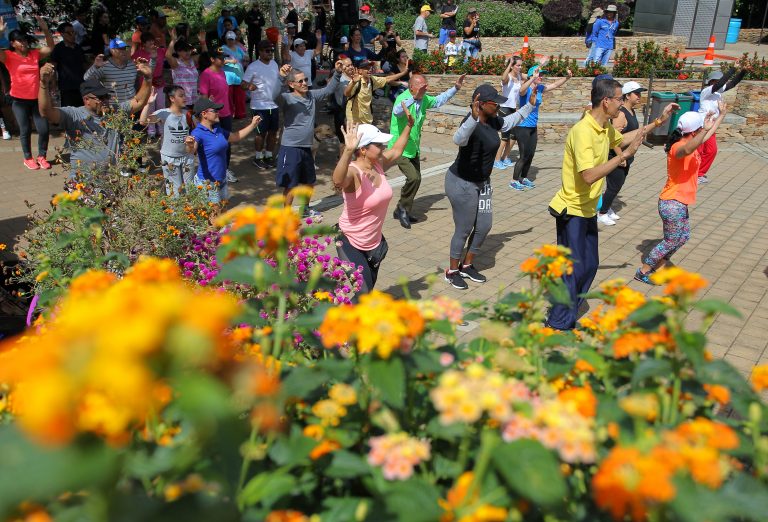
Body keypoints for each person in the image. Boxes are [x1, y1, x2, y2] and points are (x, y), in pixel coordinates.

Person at [546, 79, 647, 331]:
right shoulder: (583, 132)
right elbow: (589, 175)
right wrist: (622, 157)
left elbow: (624, 139)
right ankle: (558, 322)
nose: (622, 104)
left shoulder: (603, 128)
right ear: (606, 101)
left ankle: (568, 307)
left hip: (588, 209)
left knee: (589, 264)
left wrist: (657, 123)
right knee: (573, 268)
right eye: (619, 99)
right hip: (572, 209)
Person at [445, 84, 536, 290]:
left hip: (483, 183)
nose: (498, 108)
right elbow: (458, 139)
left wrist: (529, 106)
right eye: (494, 104)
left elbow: (509, 121)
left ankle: (467, 265)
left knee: (484, 225)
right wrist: (473, 117)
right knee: (464, 228)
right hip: (461, 183)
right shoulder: (470, 123)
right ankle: (451, 271)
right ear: (481, 103)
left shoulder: (493, 120)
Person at [635, 106, 726, 284]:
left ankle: (659, 266)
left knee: (682, 237)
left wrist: (721, 116)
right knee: (670, 240)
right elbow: (687, 150)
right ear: (696, 130)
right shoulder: (678, 147)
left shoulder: (692, 140)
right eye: (701, 129)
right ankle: (643, 271)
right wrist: (704, 130)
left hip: (680, 202)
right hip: (672, 202)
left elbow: (704, 137)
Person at [333, 115, 415, 297]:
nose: (383, 147)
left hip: (373, 243)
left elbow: (396, 151)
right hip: (349, 241)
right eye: (378, 145)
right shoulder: (354, 172)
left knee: (366, 294)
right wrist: (347, 151)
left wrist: (409, 125)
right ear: (362, 150)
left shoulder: (377, 165)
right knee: (363, 292)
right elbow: (338, 180)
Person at [38, 60, 153, 176]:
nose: (105, 101)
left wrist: (147, 79)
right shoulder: (74, 115)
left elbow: (138, 101)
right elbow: (47, 112)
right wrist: (43, 84)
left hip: (109, 181)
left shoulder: (114, 111)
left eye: (106, 96)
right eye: (100, 98)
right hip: (82, 183)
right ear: (86, 100)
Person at [389, 73, 466, 229]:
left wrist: (455, 88)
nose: (426, 88)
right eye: (422, 86)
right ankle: (403, 209)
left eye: (426, 85)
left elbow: (438, 100)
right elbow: (397, 111)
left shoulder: (424, 99)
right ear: (412, 87)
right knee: (414, 178)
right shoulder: (403, 98)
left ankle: (401, 208)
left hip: (413, 148)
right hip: (399, 148)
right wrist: (413, 98)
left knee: (416, 179)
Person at [597, 81, 676, 226]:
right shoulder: (621, 114)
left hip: (627, 156)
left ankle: (606, 208)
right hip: (617, 156)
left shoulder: (632, 111)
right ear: (627, 96)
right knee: (614, 185)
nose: (639, 96)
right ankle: (601, 213)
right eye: (636, 93)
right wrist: (621, 156)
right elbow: (613, 138)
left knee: (617, 186)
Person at [275, 61, 342, 208]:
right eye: (301, 81)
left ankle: (305, 209)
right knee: (291, 184)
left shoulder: (311, 95)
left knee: (309, 182)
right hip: (291, 147)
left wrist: (337, 72)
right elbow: (275, 94)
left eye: (305, 79)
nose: (305, 83)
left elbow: (328, 90)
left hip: (307, 147)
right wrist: (280, 77)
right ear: (292, 84)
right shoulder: (287, 98)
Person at [0, 16, 54, 170]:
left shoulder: (34, 54)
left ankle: (42, 156)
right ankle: (28, 158)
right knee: (25, 130)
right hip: (19, 100)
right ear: (13, 44)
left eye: (24, 40)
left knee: (43, 129)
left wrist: (45, 29)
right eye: (19, 40)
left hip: (37, 99)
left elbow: (50, 47)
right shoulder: (9, 56)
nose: (23, 42)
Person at [508, 65, 571, 191]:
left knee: (530, 155)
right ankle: (514, 180)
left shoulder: (540, 88)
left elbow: (554, 85)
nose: (541, 77)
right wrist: (532, 79)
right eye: (539, 75)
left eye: (542, 75)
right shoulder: (526, 88)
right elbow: (521, 91)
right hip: (522, 126)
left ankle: (524, 178)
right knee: (523, 155)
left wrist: (567, 77)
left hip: (532, 126)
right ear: (532, 75)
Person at [188, 98, 261, 204]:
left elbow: (236, 137)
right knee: (214, 216)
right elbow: (191, 151)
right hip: (207, 183)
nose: (218, 113)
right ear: (204, 114)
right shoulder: (198, 133)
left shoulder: (218, 129)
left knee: (222, 211)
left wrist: (252, 125)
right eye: (215, 111)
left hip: (221, 180)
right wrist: (189, 145)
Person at [140, 84, 195, 196]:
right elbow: (143, 121)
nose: (184, 98)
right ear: (172, 98)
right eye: (181, 96)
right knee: (174, 192)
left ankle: (190, 212)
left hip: (187, 157)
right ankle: (175, 213)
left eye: (184, 95)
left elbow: (198, 130)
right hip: (170, 159)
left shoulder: (188, 114)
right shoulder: (163, 113)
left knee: (191, 190)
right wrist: (148, 104)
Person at [696, 67, 746, 184]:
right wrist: (733, 69)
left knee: (711, 151)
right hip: (701, 125)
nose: (717, 83)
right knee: (698, 151)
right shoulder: (707, 91)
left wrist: (743, 71)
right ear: (710, 82)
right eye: (714, 81)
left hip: (712, 126)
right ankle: (693, 173)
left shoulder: (719, 93)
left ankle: (699, 173)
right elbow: (720, 84)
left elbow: (733, 83)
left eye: (717, 81)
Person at [199, 47, 237, 183]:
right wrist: (208, 114)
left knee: (227, 142)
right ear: (212, 59)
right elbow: (204, 98)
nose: (223, 60)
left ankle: (225, 169)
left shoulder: (222, 72)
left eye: (224, 58)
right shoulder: (206, 74)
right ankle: (214, 172)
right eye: (220, 58)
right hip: (214, 116)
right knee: (215, 143)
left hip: (226, 113)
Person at [242, 40, 281, 169]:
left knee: (273, 132)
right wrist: (249, 86)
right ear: (260, 52)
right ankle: (258, 157)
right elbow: (243, 84)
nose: (270, 53)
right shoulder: (253, 66)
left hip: (273, 105)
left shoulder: (275, 64)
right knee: (261, 134)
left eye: (271, 51)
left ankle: (268, 156)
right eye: (267, 51)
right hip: (258, 106)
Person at [494, 56, 533, 170]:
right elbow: (503, 78)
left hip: (512, 109)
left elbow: (531, 75)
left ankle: (505, 158)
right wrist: (509, 65)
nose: (520, 67)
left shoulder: (520, 76)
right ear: (512, 66)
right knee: (505, 137)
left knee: (513, 136)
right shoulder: (508, 78)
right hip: (504, 109)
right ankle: (496, 160)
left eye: (521, 65)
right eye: (518, 65)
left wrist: (539, 66)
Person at [344, 59, 408, 125]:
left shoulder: (372, 79)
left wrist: (403, 73)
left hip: (367, 120)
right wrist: (353, 83)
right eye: (366, 68)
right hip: (354, 121)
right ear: (360, 71)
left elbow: (387, 79)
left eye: (370, 67)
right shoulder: (356, 81)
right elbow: (346, 93)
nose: (369, 70)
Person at [85, 37, 144, 105]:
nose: (124, 51)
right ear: (112, 50)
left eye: (124, 48)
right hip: (114, 108)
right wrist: (95, 66)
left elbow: (147, 75)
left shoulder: (132, 64)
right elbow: (87, 78)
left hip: (132, 106)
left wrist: (152, 60)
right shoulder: (105, 66)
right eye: (120, 49)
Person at [132, 32, 166, 137]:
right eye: (148, 41)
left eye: (152, 40)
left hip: (159, 82)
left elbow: (169, 54)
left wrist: (172, 40)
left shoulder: (159, 51)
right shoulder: (138, 54)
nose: (151, 42)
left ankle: (161, 130)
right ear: (144, 44)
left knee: (160, 106)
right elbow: (132, 64)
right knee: (149, 107)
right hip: (146, 83)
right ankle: (151, 131)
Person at [166, 29, 208, 109]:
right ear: (178, 51)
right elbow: (168, 55)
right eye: (184, 50)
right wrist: (173, 40)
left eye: (189, 50)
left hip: (194, 99)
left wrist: (203, 42)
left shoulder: (192, 60)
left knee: (194, 121)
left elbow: (205, 57)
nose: (188, 52)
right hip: (182, 100)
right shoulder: (176, 64)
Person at [51, 22, 87, 108]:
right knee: (69, 114)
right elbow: (53, 68)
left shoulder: (78, 48)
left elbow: (84, 66)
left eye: (73, 32)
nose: (73, 35)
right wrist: (53, 85)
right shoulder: (58, 49)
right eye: (69, 33)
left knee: (84, 112)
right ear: (62, 34)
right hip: (66, 87)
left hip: (82, 86)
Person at [222, 30, 248, 119]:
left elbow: (245, 58)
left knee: (240, 97)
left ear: (235, 39)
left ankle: (240, 114)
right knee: (229, 98)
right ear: (226, 39)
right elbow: (219, 60)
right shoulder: (222, 48)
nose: (230, 41)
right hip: (228, 77)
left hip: (239, 76)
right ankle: (229, 114)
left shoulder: (239, 49)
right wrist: (230, 61)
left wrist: (245, 59)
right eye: (229, 39)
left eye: (232, 39)